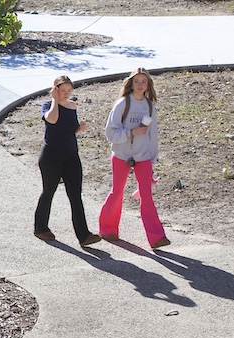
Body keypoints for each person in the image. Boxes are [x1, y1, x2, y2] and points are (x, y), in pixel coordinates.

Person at [99, 68, 170, 250]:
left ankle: (157, 237)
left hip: (143, 156)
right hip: (122, 155)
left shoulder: (149, 106)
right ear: (131, 83)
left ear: (148, 85)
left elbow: (152, 134)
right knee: (117, 191)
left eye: (143, 82)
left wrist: (152, 158)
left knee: (147, 195)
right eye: (137, 81)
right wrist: (131, 132)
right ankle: (107, 229)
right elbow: (110, 132)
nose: (140, 85)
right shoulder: (123, 104)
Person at [34, 75, 102, 247]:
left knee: (75, 195)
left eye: (68, 91)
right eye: (62, 90)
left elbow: (68, 130)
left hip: (71, 155)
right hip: (51, 155)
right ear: (55, 89)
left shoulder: (73, 106)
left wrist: (80, 129)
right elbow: (53, 120)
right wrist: (55, 100)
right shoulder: (48, 106)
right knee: (49, 191)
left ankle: (84, 235)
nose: (66, 94)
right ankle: (40, 227)